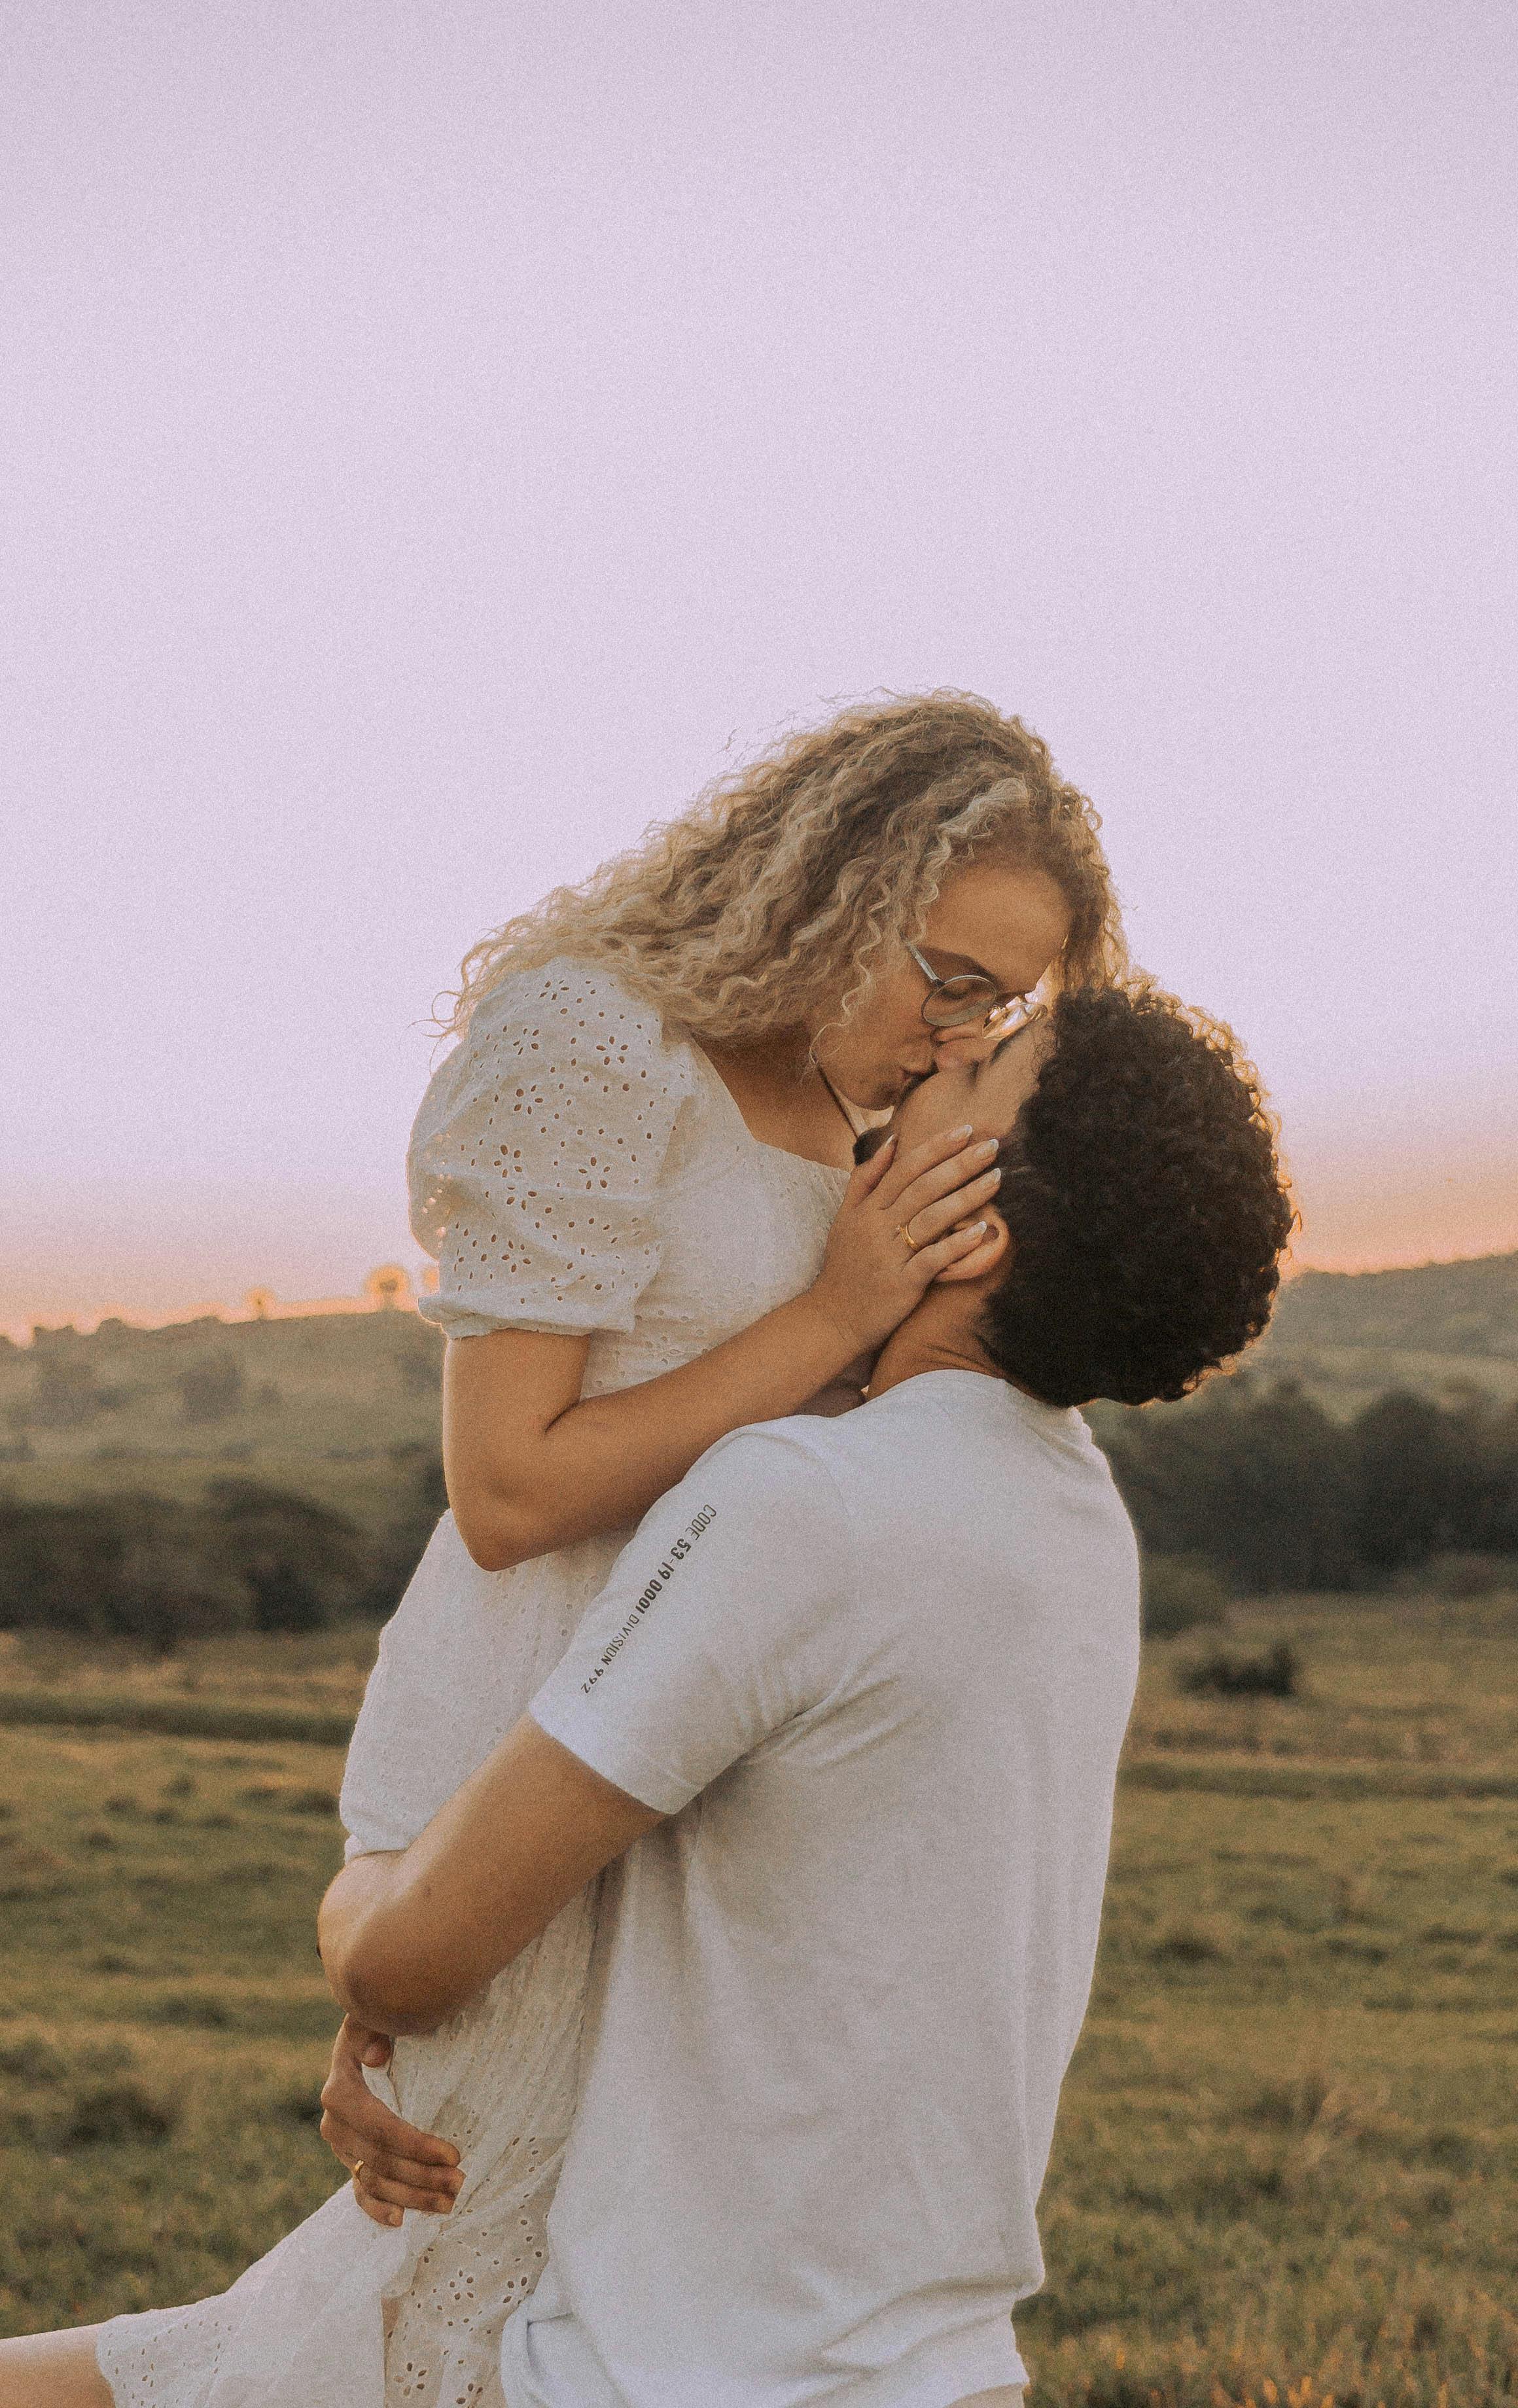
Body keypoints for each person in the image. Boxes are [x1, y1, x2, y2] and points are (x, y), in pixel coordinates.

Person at [12, 693, 1123, 2408]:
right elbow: (508, 1490)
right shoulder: (594, 1043)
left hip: (693, 1776)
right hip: (538, 1722)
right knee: (440, 2311)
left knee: (410, 2326)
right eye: (949, 973)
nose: (962, 1027)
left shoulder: (870, 1126)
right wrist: (835, 1310)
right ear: (827, 883)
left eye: (1008, 1001)